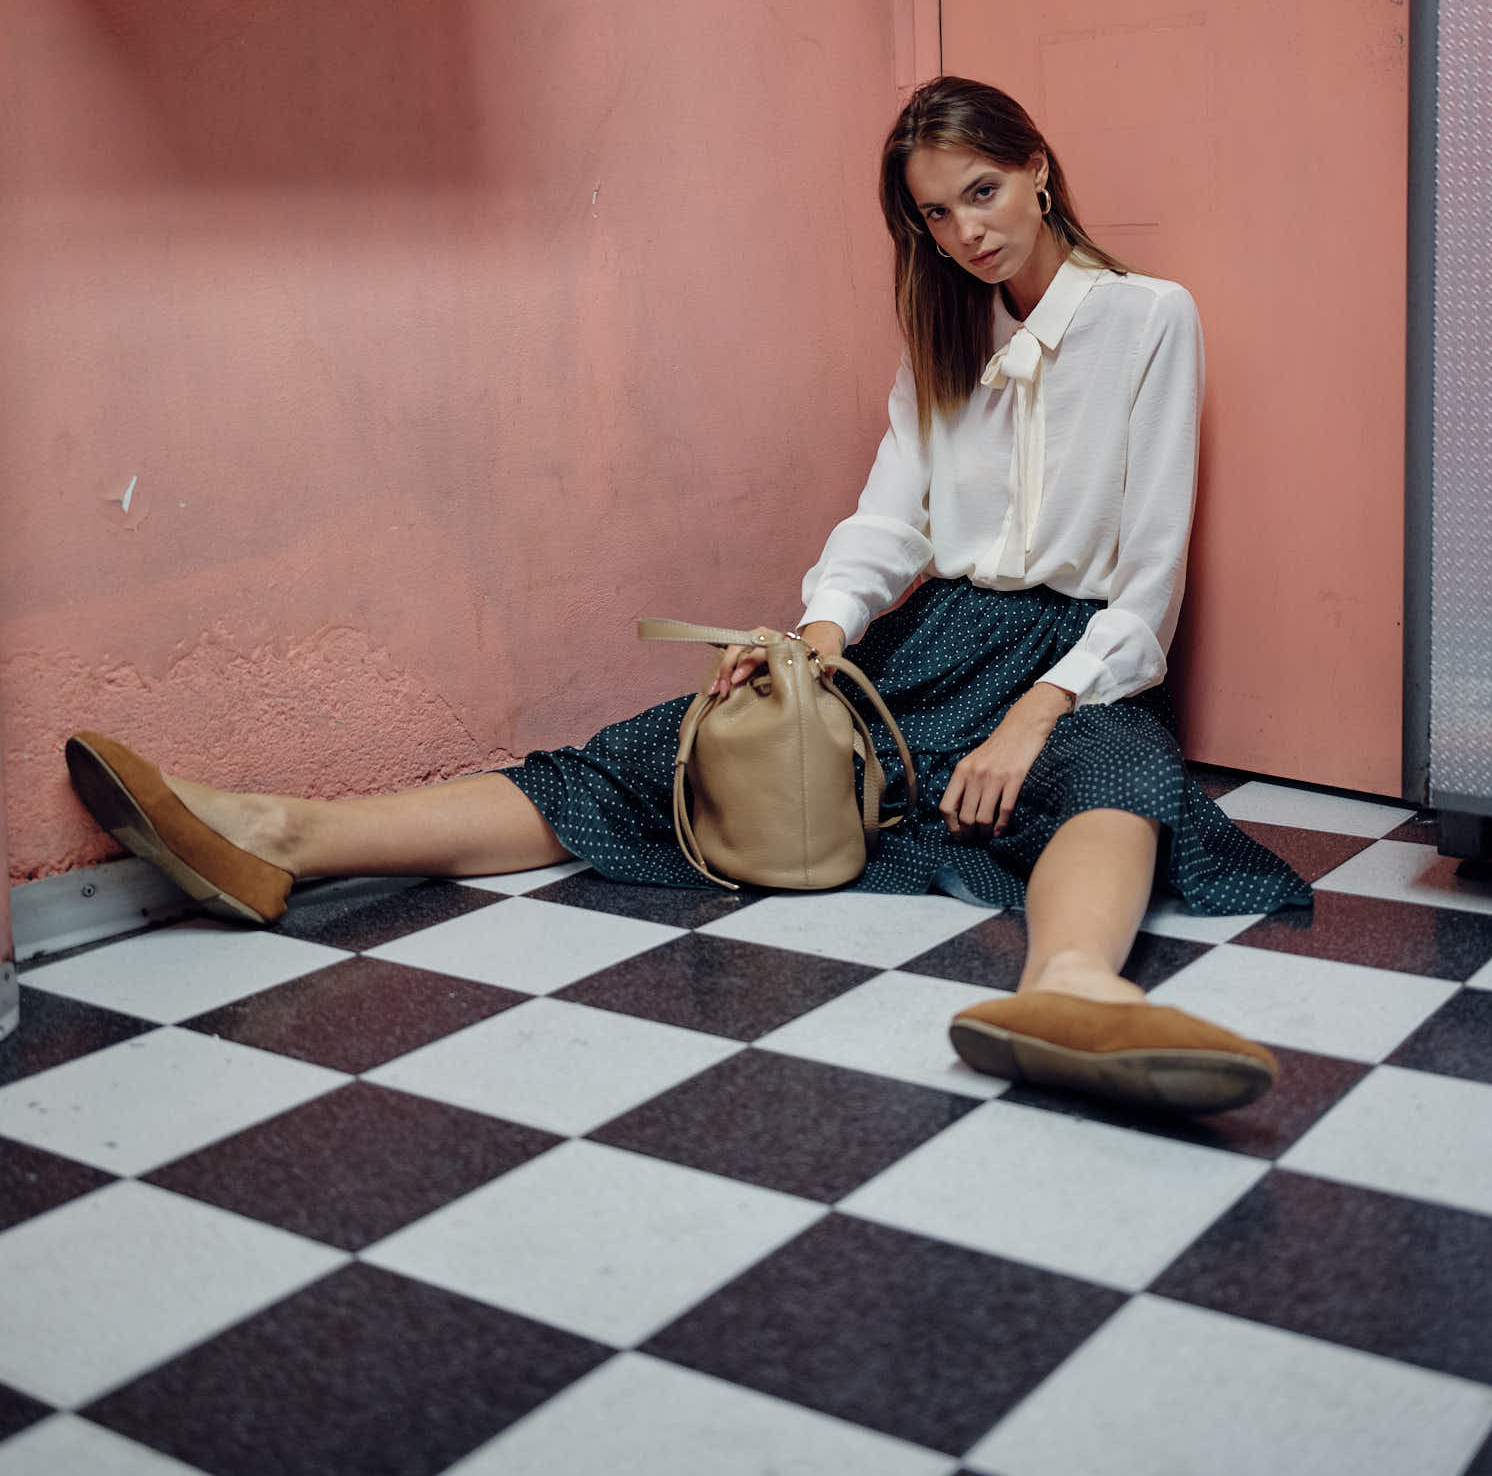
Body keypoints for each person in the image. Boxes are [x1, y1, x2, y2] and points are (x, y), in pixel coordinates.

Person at [66, 77, 1309, 1115]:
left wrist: (1038, 711)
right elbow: (888, 523)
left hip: (1073, 657)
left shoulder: (1152, 320)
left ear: (1038, 171)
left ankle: (1076, 987)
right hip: (934, 642)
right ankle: (288, 839)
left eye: (982, 190)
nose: (967, 230)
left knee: (1120, 775)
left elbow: (1146, 589)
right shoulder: (943, 340)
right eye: (937, 213)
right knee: (668, 752)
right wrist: (814, 641)